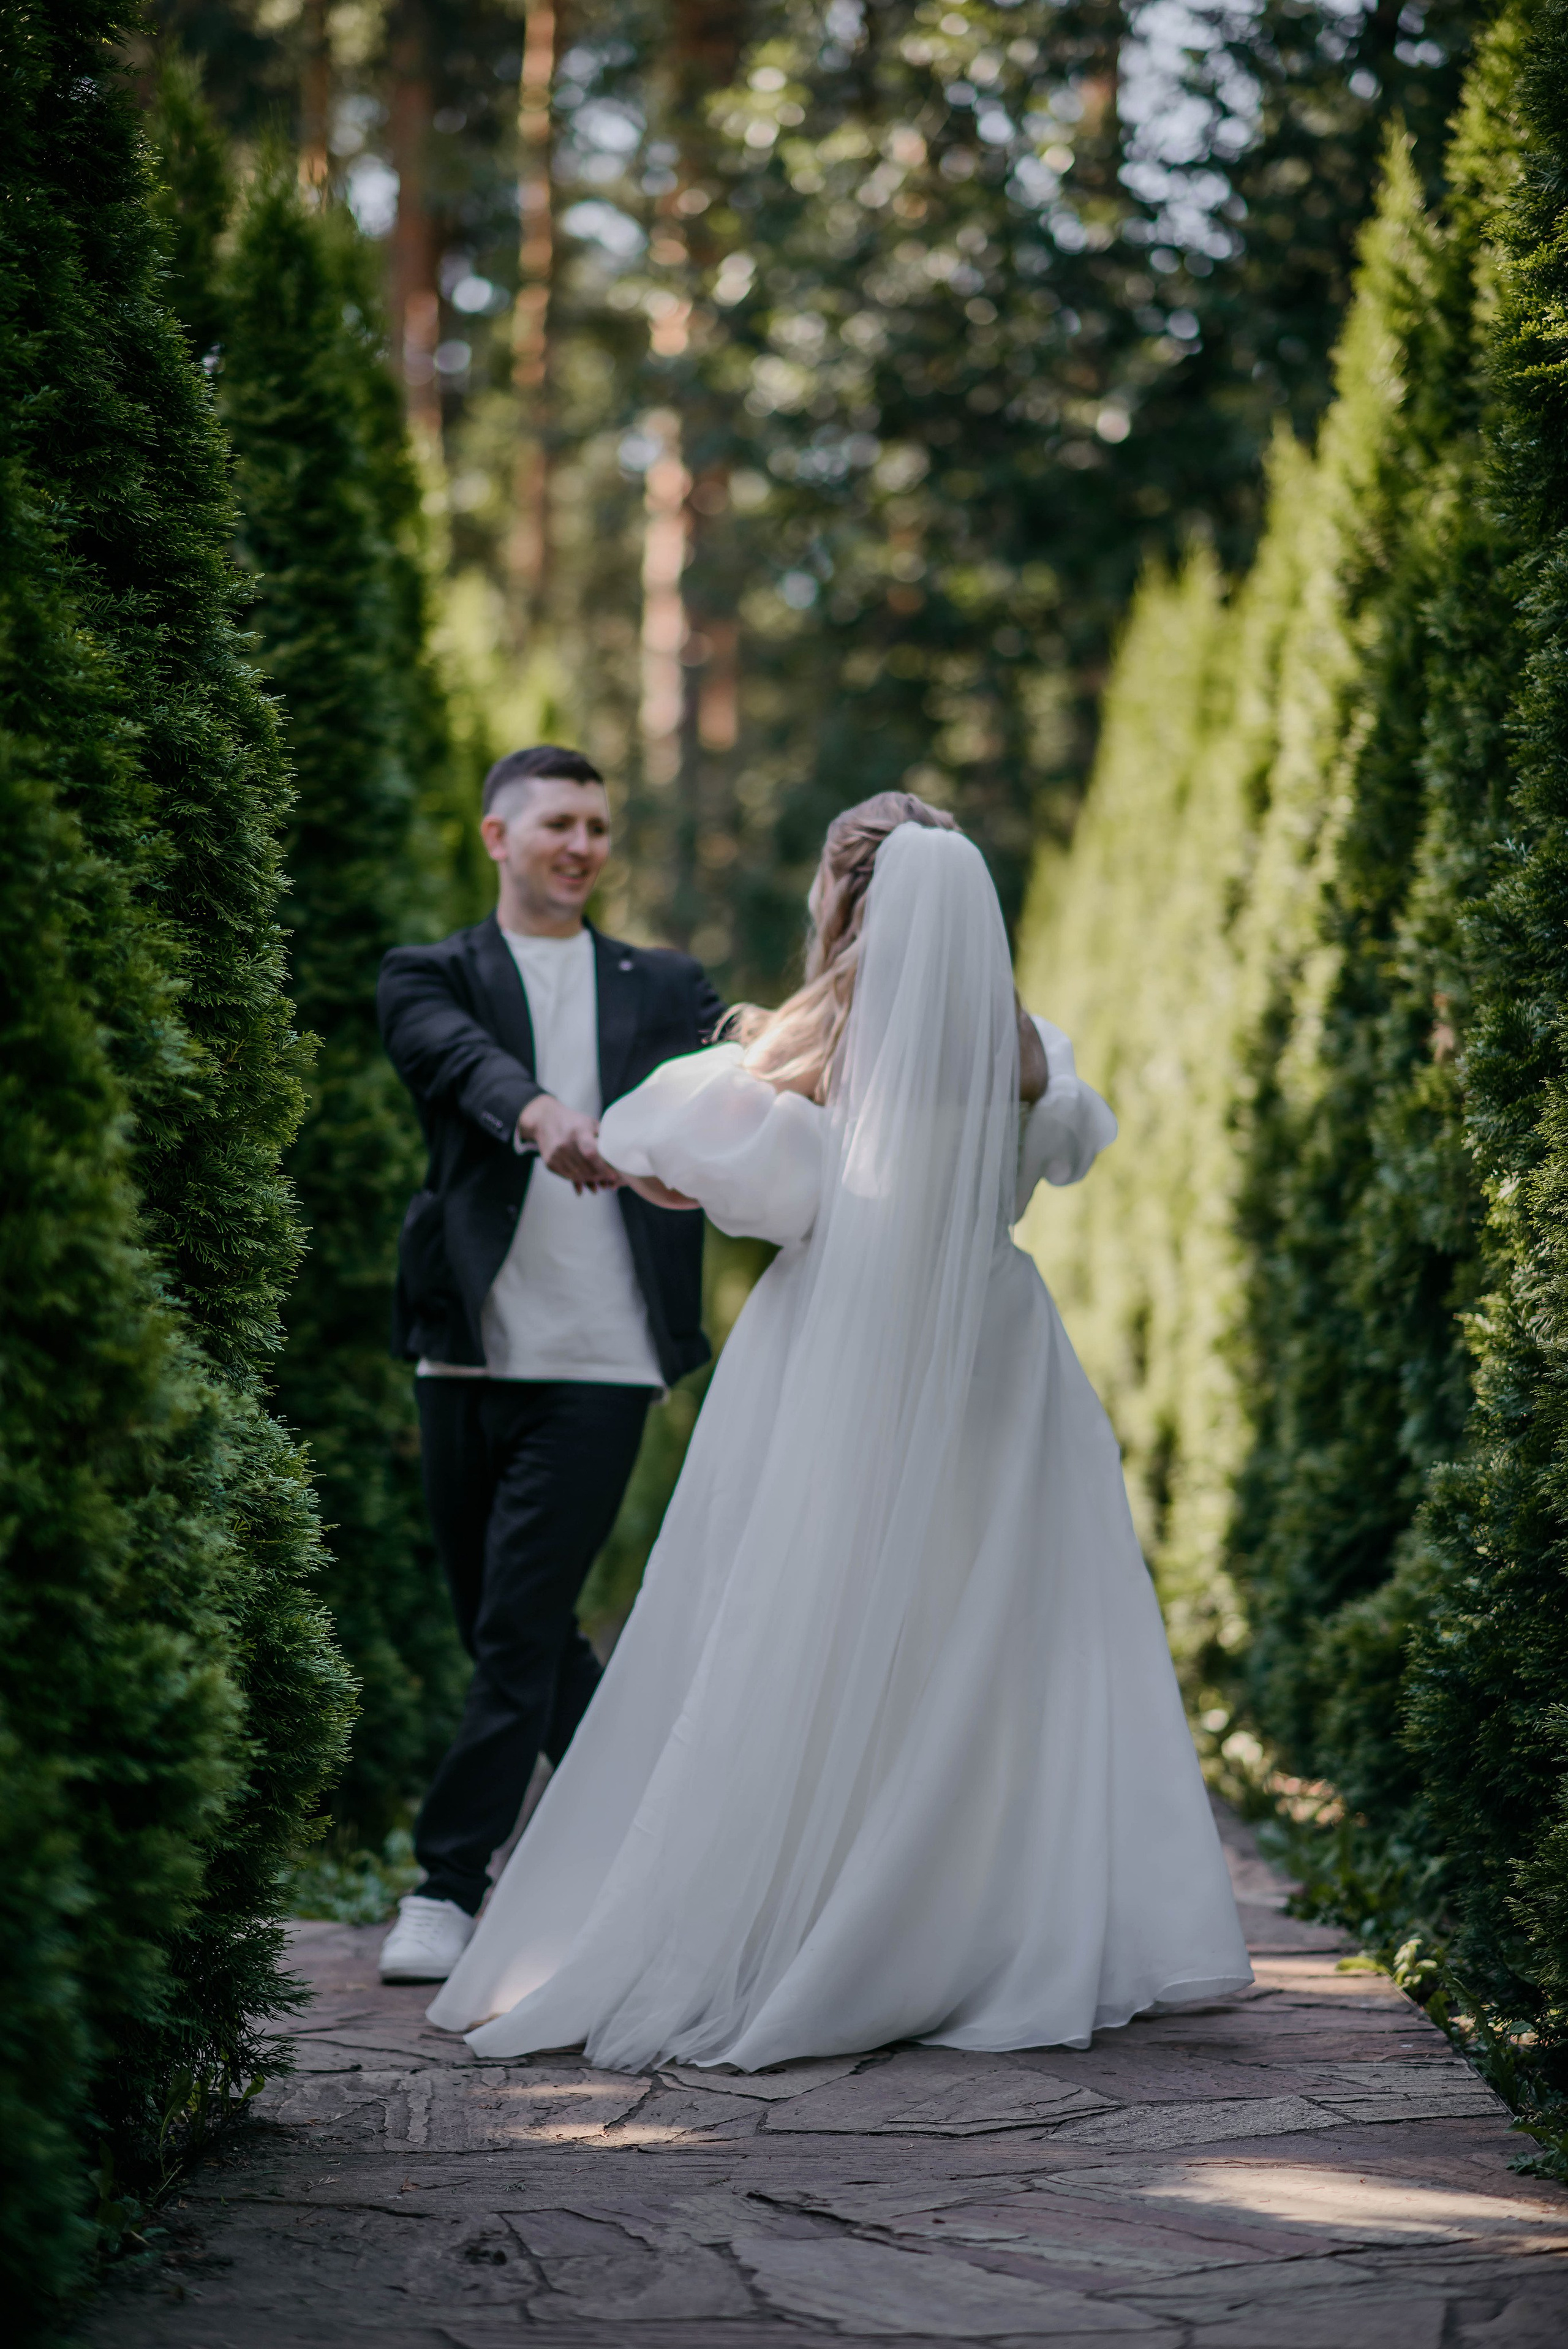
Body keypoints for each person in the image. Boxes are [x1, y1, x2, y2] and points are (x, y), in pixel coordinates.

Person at [427, 791, 1251, 2068]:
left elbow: (660, 1157)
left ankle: (810, 1912)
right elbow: (1068, 1146)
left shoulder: (800, 1058)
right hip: (995, 1355)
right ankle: (981, 1923)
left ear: (843, 896)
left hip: (833, 1354)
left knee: (806, 1618)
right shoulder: (1029, 1049)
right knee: (988, 1630)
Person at [374, 744, 725, 1985]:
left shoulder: (665, 983)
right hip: (466, 1353)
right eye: (558, 824)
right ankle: (669, 1840)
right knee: (509, 1632)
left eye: (598, 826)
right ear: (495, 838)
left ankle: (447, 1883)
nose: (582, 846)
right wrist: (543, 1118)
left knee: (517, 1624)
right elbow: (453, 1062)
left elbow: (734, 1085)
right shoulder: (430, 974)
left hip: (604, 1357)